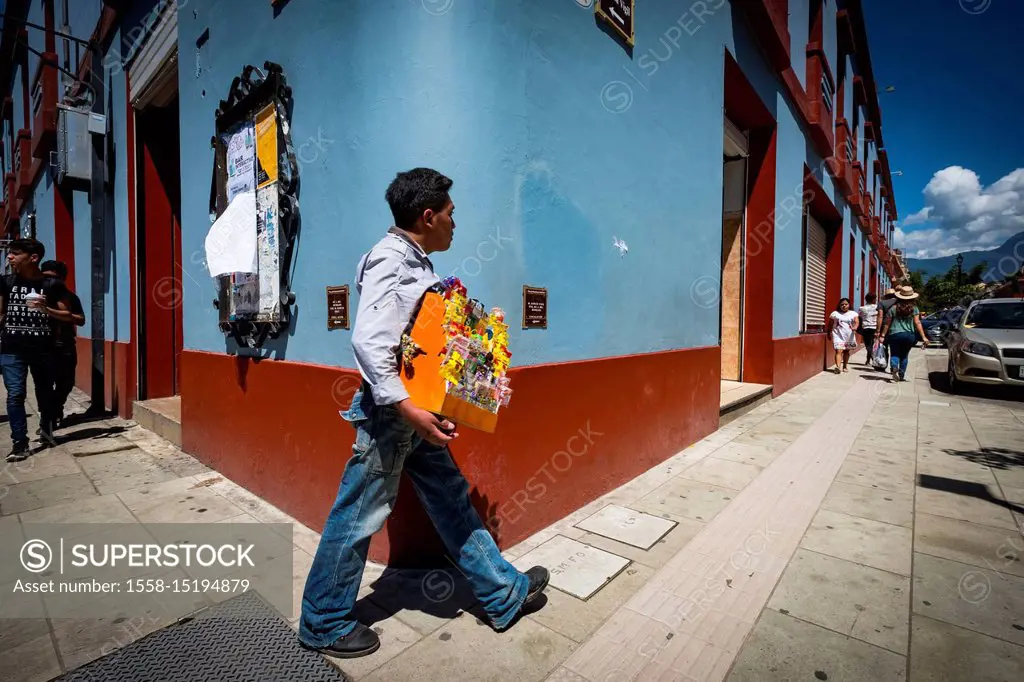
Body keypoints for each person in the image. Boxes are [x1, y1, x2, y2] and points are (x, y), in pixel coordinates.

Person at [298, 168, 548, 659]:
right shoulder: (391, 261)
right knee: (359, 513)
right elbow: (368, 341)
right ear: (427, 215)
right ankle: (323, 621)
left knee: (451, 500)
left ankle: (501, 593)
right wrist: (411, 409)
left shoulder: (413, 261)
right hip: (393, 416)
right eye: (451, 214)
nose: (457, 223)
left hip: (413, 414)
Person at [0, 239, 74, 461]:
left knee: (45, 393)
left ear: (33, 258)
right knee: (15, 394)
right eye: (9, 253)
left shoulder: (52, 285)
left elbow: (69, 316)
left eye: (15, 253)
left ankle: (46, 429)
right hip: (11, 348)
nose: (9, 257)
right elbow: (1, 314)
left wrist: (46, 308)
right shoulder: (5, 282)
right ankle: (19, 443)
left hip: (43, 349)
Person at [39, 260, 85, 426]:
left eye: (55, 279)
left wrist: (60, 314)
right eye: (46, 278)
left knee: (66, 383)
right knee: (44, 386)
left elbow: (81, 320)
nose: (51, 283)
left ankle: (55, 409)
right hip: (42, 348)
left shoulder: (70, 297)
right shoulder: (34, 298)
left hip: (64, 346)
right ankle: (46, 421)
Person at [876, 285, 928, 382]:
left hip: (895, 334)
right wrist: (923, 337)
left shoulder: (893, 308)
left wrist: (882, 335)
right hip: (909, 335)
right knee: (904, 355)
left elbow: (887, 324)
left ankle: (894, 367)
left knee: (894, 353)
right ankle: (901, 375)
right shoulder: (915, 309)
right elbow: (917, 323)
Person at [828, 297, 859, 373]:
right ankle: (838, 367)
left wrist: (855, 327)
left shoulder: (853, 313)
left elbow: (856, 321)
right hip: (838, 334)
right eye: (842, 304)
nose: (844, 306)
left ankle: (845, 366)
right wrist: (829, 332)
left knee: (846, 351)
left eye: (846, 304)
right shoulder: (835, 313)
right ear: (839, 305)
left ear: (849, 305)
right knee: (838, 350)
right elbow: (830, 324)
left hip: (849, 335)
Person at [857, 292, 878, 365]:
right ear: (874, 299)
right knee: (872, 344)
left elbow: (860, 318)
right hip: (875, 327)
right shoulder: (877, 307)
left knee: (868, 345)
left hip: (865, 327)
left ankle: (870, 360)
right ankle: (871, 359)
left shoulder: (861, 308)